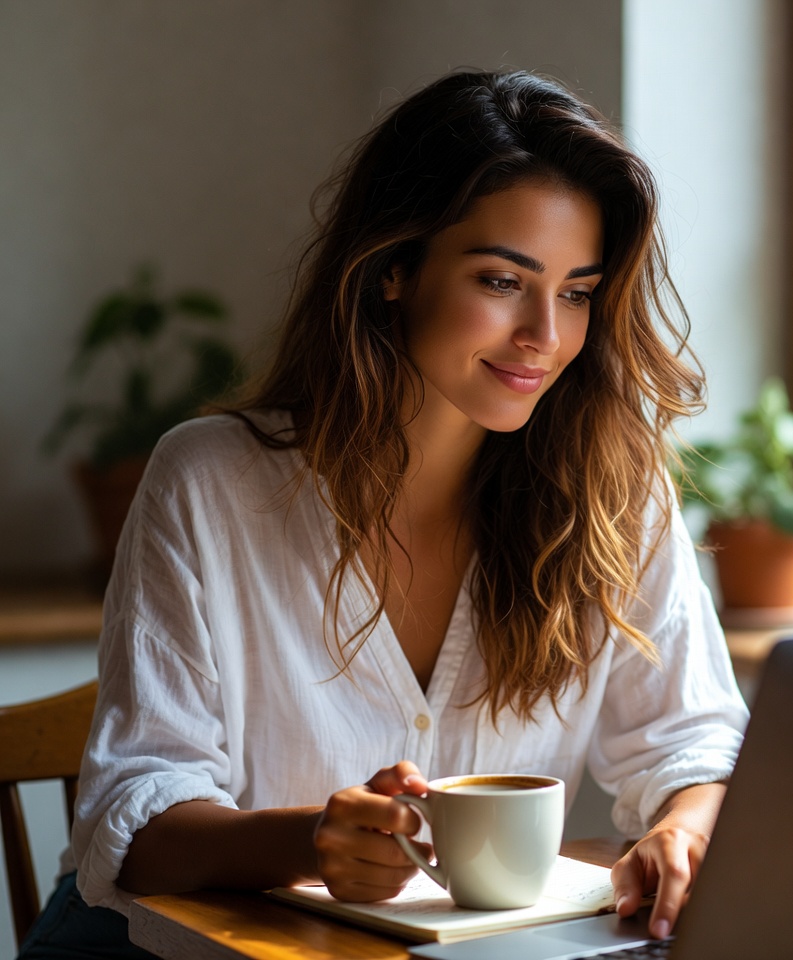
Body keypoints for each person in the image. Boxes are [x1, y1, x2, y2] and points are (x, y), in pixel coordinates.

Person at [18, 69, 748, 959]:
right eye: (500, 280)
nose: (544, 338)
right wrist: (310, 840)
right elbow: (131, 825)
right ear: (395, 269)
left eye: (576, 292)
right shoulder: (208, 482)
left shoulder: (613, 493)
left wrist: (686, 828)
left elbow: (697, 744)